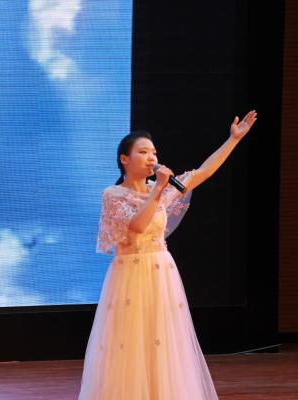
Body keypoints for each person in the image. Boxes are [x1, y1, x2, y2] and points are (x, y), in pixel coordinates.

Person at [78, 111, 257, 399]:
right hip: (131, 275)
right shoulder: (113, 194)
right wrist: (159, 189)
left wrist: (233, 140)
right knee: (130, 343)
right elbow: (137, 226)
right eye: (143, 152)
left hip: (161, 273)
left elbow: (203, 172)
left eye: (154, 152)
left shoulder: (160, 189)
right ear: (124, 159)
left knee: (162, 342)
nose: (151, 157)